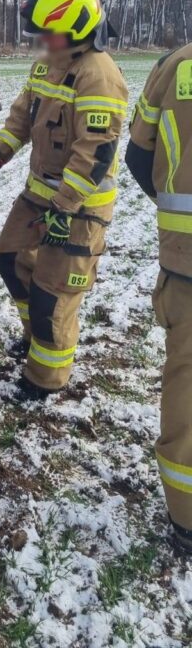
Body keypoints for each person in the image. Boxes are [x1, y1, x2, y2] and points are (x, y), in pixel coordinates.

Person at [0, 0, 128, 400]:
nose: (43, 42)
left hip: (77, 207)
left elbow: (95, 153)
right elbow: (20, 120)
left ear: (78, 28)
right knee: (11, 258)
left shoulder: (99, 76)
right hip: (40, 195)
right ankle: (37, 339)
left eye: (50, 34)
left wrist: (65, 206)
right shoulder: (47, 65)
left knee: (55, 293)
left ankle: (45, 380)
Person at [126, 46, 192, 553]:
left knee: (187, 384)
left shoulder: (177, 64)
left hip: (186, 257)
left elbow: (137, 153)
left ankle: (187, 514)